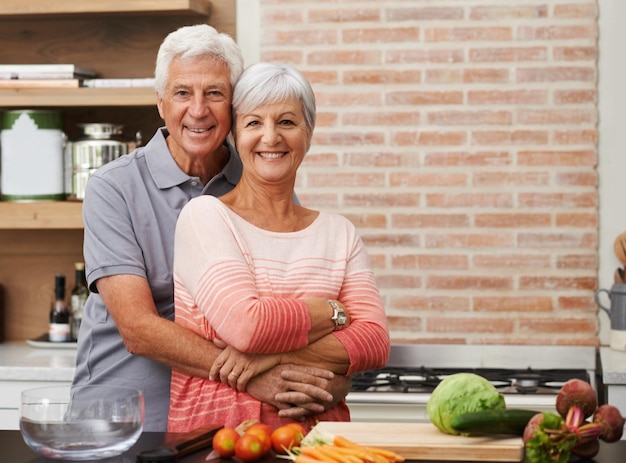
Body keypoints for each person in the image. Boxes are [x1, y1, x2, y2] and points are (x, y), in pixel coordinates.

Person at [72, 25, 351, 432]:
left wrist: (332, 374)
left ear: (234, 106)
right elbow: (138, 328)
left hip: (217, 424)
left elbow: (290, 318)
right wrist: (256, 377)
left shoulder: (261, 177)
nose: (198, 109)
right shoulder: (114, 188)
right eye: (183, 92)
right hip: (121, 420)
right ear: (161, 103)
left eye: (215, 93)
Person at [168, 62, 390, 432]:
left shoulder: (339, 232)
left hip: (321, 443)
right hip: (219, 440)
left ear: (309, 132)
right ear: (235, 135)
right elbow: (247, 327)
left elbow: (374, 341)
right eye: (254, 123)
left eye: (286, 122)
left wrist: (273, 357)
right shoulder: (205, 216)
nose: (271, 138)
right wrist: (331, 313)